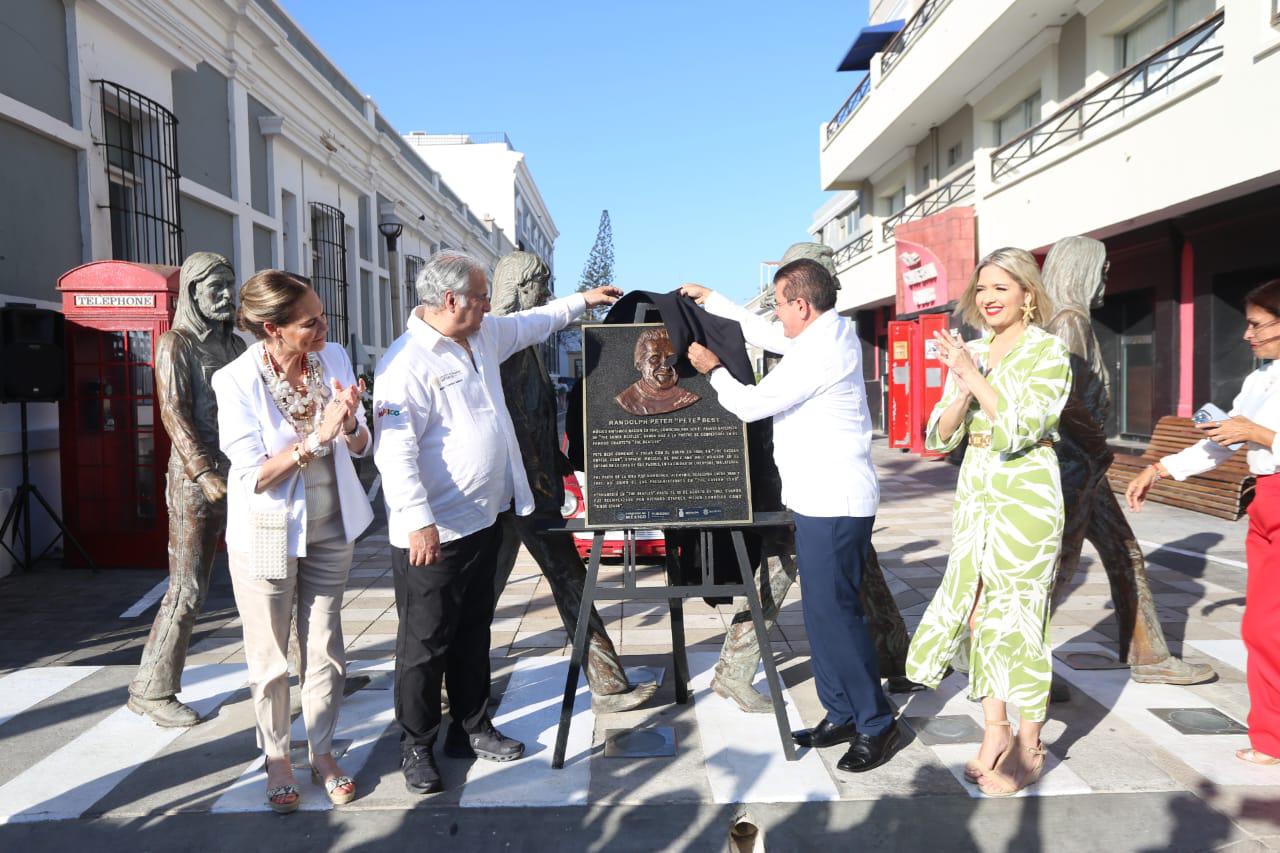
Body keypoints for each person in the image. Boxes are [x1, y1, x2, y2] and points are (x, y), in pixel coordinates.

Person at [373, 251, 620, 795]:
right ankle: (416, 744)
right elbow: (395, 451)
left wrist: (585, 300)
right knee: (424, 643)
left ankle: (471, 727)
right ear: (451, 301)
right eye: (482, 297)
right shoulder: (405, 363)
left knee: (472, 630)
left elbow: (535, 323)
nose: (490, 306)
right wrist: (417, 522)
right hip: (433, 532)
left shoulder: (482, 336)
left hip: (485, 518)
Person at [684, 258, 899, 773]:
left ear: (802, 304)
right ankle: (841, 712)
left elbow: (752, 405)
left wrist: (713, 370)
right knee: (821, 616)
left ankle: (876, 722)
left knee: (838, 617)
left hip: (834, 502)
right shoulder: (821, 335)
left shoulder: (820, 352)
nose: (776, 314)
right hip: (816, 499)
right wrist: (715, 299)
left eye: (780, 303)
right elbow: (767, 333)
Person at [905, 247, 1072, 797]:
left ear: (1028, 294)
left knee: (1020, 618)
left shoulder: (1049, 351)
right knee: (978, 615)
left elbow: (1023, 425)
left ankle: (1030, 742)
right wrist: (960, 380)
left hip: (1027, 492)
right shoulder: (971, 350)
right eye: (981, 289)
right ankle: (994, 731)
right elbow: (938, 435)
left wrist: (973, 377)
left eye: (1001, 287)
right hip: (976, 489)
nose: (989, 298)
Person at [213, 270, 373, 813]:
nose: (324, 326)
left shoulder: (333, 360)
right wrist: (317, 438)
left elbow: (359, 444)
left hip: (332, 528)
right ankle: (277, 758)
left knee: (326, 648)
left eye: (324, 315)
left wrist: (350, 424)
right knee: (271, 657)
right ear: (271, 328)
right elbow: (254, 474)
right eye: (310, 322)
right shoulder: (235, 380)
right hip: (267, 532)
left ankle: (322, 752)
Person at [488, 251, 656, 713]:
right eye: (540, 286)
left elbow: (532, 415)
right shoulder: (500, 342)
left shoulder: (520, 341)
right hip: (524, 491)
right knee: (569, 580)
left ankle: (446, 678)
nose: (544, 295)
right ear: (522, 289)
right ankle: (607, 683)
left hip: (528, 486)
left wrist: (557, 457)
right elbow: (505, 423)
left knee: (484, 591)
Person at [1042, 236, 1212, 685]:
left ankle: (1149, 656)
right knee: (1055, 572)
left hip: (1084, 468)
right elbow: (1066, 403)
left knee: (1124, 553)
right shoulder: (1070, 323)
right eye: (1102, 269)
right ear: (1080, 271)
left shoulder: (1064, 321)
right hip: (1075, 469)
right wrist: (1099, 449)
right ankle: (1004, 664)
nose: (1106, 279)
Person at [1126, 278, 1280, 767]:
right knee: (1262, 628)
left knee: (1268, 627)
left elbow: (1248, 434)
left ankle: (1272, 739)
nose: (1246, 335)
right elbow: (1221, 443)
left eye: (1256, 324)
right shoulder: (1259, 380)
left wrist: (1254, 431)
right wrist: (1158, 468)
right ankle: (1272, 738)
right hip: (1266, 507)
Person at [128, 252, 246, 726]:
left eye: (229, 285)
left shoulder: (236, 345)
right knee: (188, 588)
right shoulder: (176, 345)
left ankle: (304, 668)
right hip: (197, 484)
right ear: (193, 292)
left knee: (271, 572)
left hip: (242, 473)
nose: (224, 295)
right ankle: (151, 688)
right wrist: (203, 473)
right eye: (214, 286)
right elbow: (173, 413)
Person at [615, 328, 700, 416]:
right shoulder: (627, 400)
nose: (665, 366)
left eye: (671, 358)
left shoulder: (687, 398)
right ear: (639, 364)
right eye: (654, 359)